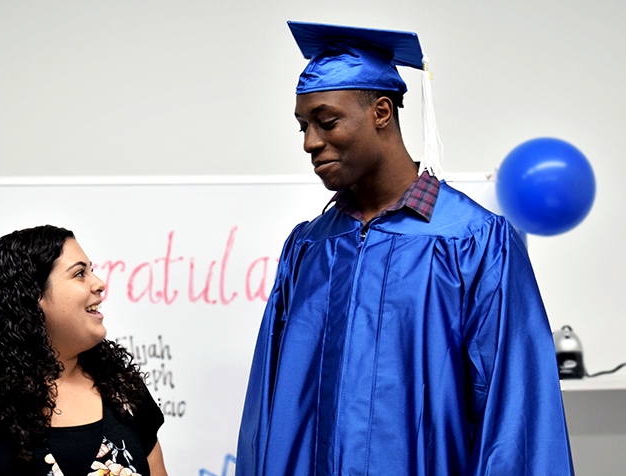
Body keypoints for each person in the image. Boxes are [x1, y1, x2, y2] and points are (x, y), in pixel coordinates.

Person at [236, 21, 575, 475]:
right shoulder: (309, 248)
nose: (310, 142)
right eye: (303, 126)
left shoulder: (474, 241)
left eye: (326, 121)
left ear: (380, 112)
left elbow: (516, 414)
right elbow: (269, 409)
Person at [0, 225, 168, 476]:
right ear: (30, 297)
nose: (99, 283)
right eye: (79, 273)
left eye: (92, 271)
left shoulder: (123, 391)